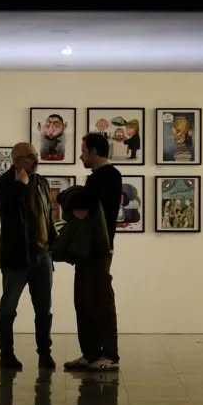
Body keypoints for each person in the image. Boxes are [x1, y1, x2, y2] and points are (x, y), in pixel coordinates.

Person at [0, 142, 57, 371]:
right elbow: (6, 210)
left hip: (42, 255)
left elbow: (47, 217)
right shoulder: (3, 183)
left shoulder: (42, 182)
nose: (35, 160)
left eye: (36, 155)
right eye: (30, 156)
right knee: (8, 308)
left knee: (44, 309)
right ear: (16, 159)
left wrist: (54, 247)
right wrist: (20, 185)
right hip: (16, 256)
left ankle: (45, 353)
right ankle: (6, 354)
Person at [65, 132, 122, 370]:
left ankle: (109, 355)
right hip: (88, 249)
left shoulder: (108, 176)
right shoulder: (98, 178)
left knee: (100, 301)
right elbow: (79, 205)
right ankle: (90, 353)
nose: (81, 156)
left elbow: (82, 207)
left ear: (94, 152)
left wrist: (70, 198)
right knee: (83, 301)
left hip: (98, 249)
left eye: (84, 151)